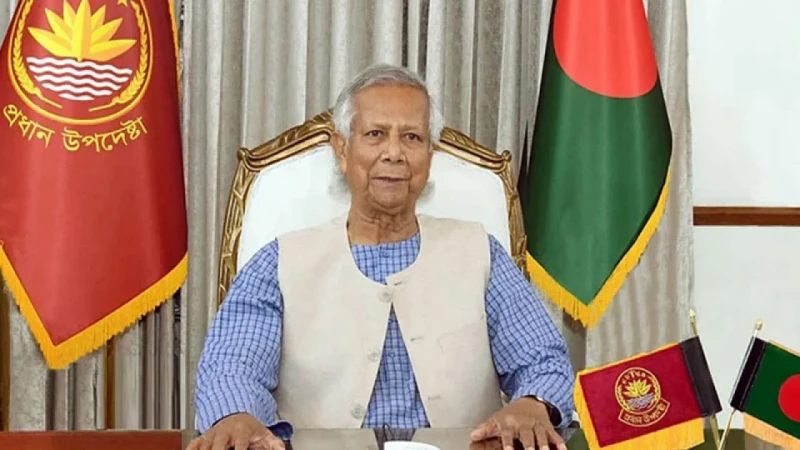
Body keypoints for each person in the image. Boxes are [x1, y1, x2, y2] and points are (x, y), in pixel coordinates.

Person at [187, 64, 575, 450]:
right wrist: (236, 416)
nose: (394, 153)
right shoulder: (279, 262)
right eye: (375, 134)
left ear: (430, 155)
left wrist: (533, 404)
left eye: (412, 137)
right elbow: (232, 366)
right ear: (343, 149)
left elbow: (542, 360)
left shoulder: (480, 253)